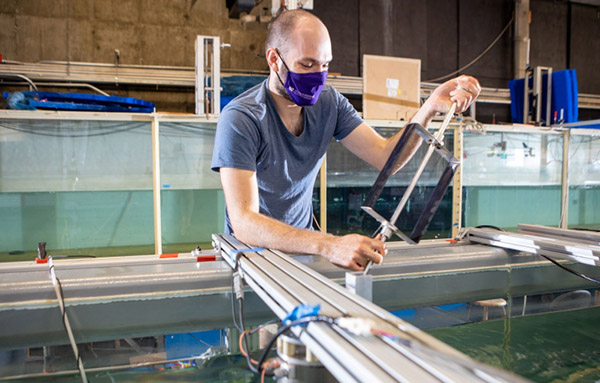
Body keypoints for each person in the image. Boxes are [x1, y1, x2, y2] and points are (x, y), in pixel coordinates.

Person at [211, 9, 480, 271]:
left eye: (324, 65)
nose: (318, 75)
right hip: (251, 260)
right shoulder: (241, 119)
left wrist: (430, 107)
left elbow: (386, 156)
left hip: (305, 252)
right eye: (307, 64)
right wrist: (328, 245)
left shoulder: (330, 104)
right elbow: (245, 223)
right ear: (274, 59)